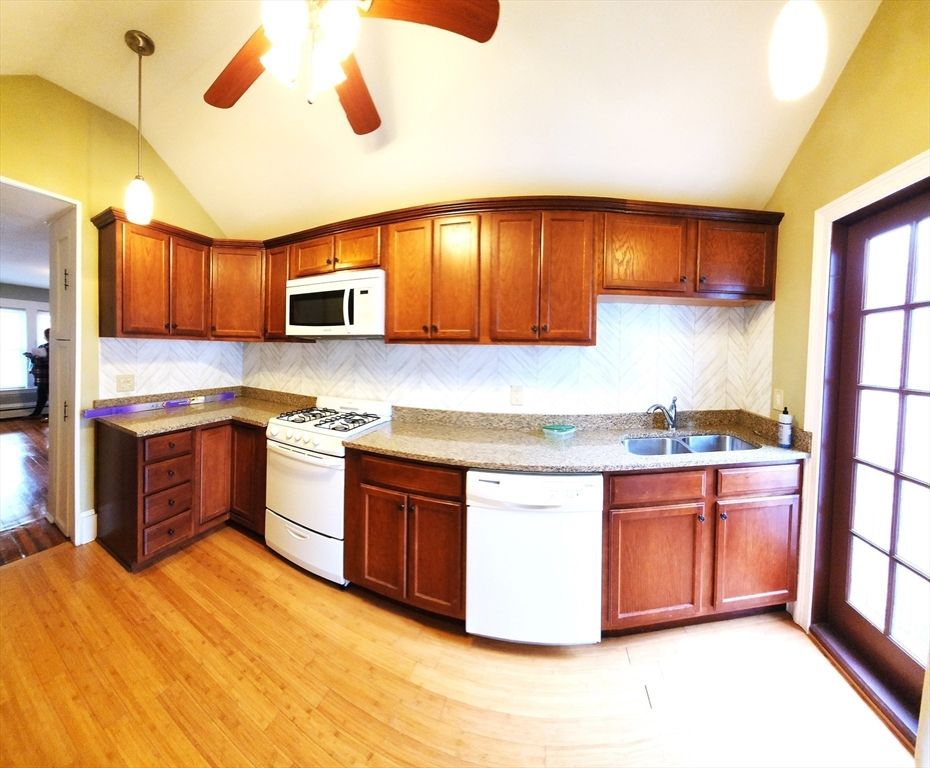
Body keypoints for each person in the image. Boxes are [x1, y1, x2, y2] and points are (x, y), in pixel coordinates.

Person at [23, 328, 49, 419]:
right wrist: (31, 356)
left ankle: (37, 414)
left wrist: (33, 357)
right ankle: (36, 414)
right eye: (46, 335)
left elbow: (46, 361)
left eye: (48, 335)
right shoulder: (43, 346)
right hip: (40, 376)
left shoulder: (55, 347)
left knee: (44, 395)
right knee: (41, 395)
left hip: (48, 376)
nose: (46, 337)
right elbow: (37, 358)